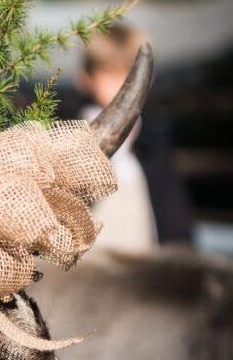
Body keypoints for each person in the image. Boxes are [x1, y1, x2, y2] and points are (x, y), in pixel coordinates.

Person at [79, 23, 193, 253]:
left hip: (144, 267)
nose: (122, 85)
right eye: (110, 73)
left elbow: (173, 213)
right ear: (86, 78)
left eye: (129, 74)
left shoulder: (153, 143)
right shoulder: (74, 136)